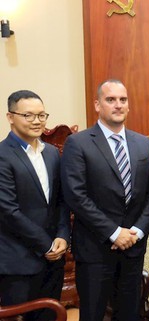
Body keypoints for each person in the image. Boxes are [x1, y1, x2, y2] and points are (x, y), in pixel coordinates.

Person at [61, 79, 149, 321]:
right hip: (95, 249)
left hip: (133, 249)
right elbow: (76, 195)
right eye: (111, 99)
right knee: (93, 314)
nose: (118, 105)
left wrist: (136, 232)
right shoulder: (78, 143)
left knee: (129, 314)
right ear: (97, 105)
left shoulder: (142, 144)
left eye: (123, 100)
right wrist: (114, 232)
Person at [0, 90, 70, 320]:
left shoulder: (51, 152)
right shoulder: (2, 155)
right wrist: (45, 245)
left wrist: (62, 236)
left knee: (50, 316)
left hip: (53, 259)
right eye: (28, 115)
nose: (37, 121)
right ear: (11, 117)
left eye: (41, 115)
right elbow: (8, 211)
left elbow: (60, 200)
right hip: (18, 262)